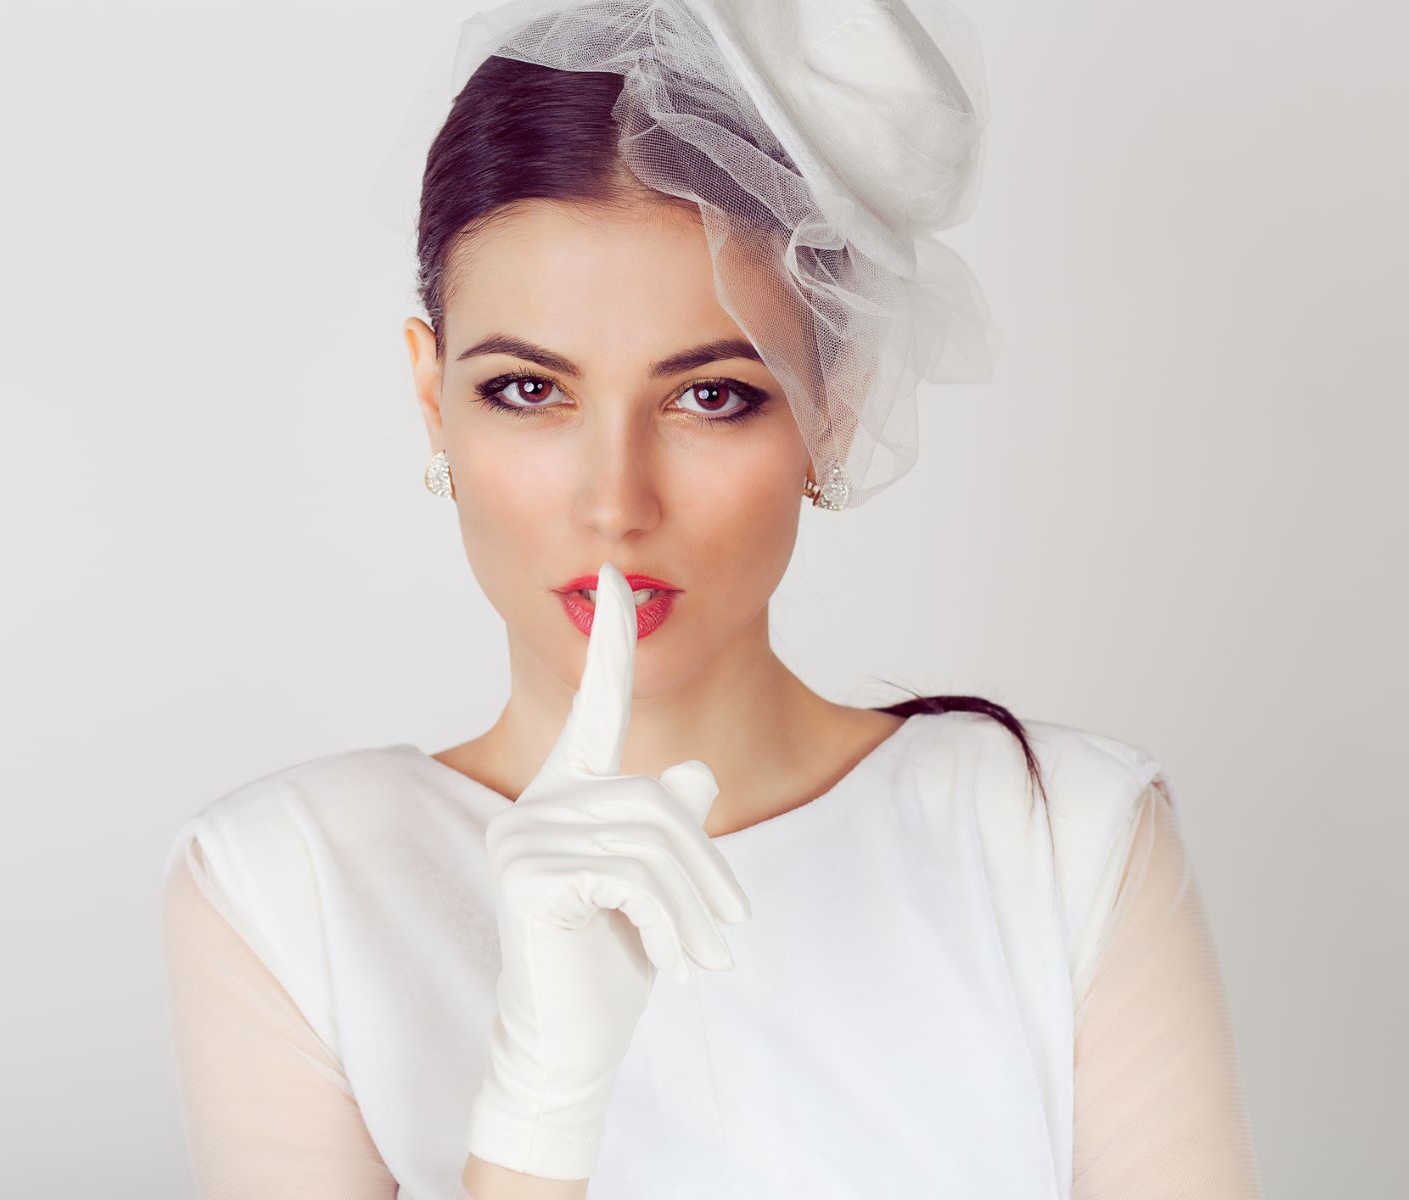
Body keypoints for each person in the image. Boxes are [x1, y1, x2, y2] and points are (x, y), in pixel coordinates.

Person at [159, 1, 1265, 1196]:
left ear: (829, 402)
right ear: (434, 399)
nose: (615, 504)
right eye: (529, 390)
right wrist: (541, 1107)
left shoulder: (1061, 840)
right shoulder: (292, 885)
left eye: (712, 396)